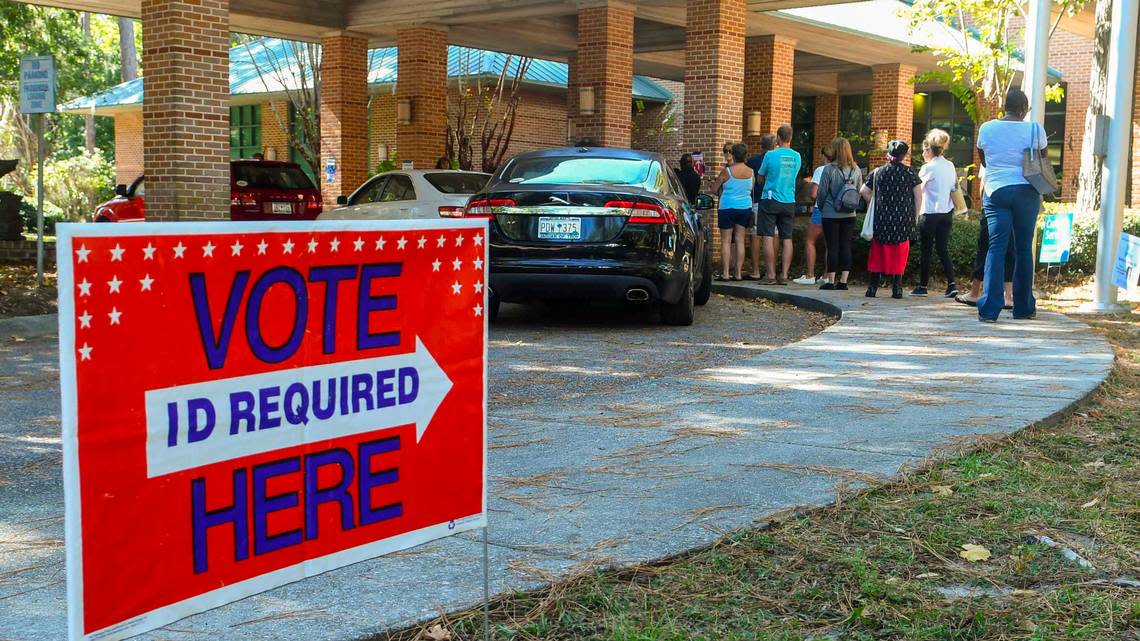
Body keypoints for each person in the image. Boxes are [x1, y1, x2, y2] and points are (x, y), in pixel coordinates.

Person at [975, 88, 1045, 322]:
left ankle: (989, 309)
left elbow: (984, 159)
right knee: (1024, 248)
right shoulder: (1035, 129)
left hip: (995, 191)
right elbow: (1042, 160)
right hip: (1026, 191)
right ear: (1024, 109)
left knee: (996, 247)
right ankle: (1023, 307)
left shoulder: (987, 128)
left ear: (1005, 106)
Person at [859, 140, 922, 299]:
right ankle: (897, 289)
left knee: (878, 252)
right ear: (904, 155)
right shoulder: (910, 173)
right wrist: (915, 216)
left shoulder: (877, 172)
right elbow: (918, 197)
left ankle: (872, 288)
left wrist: (872, 203)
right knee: (899, 252)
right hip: (903, 219)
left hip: (881, 218)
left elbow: (863, 191)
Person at [912, 129, 958, 298]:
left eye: (924, 150)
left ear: (929, 149)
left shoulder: (927, 168)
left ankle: (923, 286)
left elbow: (917, 190)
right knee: (942, 249)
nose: (923, 153)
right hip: (947, 212)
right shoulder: (950, 165)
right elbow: (954, 187)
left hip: (929, 212)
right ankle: (952, 284)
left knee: (926, 250)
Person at [756, 125, 801, 285]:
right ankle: (784, 275)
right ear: (791, 138)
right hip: (789, 200)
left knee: (768, 236)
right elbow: (794, 175)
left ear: (778, 138)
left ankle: (770, 275)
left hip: (770, 199)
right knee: (787, 238)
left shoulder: (770, 155)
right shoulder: (797, 156)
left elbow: (760, 177)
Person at [815, 138, 862, 291]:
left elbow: (822, 192)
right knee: (845, 246)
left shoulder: (829, 169)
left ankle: (830, 280)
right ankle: (844, 281)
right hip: (850, 213)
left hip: (830, 213)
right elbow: (859, 190)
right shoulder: (856, 169)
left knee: (832, 246)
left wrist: (822, 208)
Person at [711, 143, 754, 281]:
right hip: (744, 207)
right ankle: (738, 273)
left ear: (733, 155)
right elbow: (751, 188)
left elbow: (714, 189)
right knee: (740, 240)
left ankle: (725, 273)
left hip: (727, 207)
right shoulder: (751, 172)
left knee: (726, 241)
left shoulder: (727, 171)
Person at [794, 145, 836, 286]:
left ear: (824, 155)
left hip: (820, 209)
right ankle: (826, 275)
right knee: (830, 243)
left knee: (810, 241)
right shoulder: (840, 169)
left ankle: (810, 275)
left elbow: (813, 193)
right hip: (835, 211)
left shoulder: (821, 170)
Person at [745, 134, 777, 279]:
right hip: (777, 200)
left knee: (756, 236)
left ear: (761, 145)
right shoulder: (778, 159)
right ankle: (773, 270)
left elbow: (751, 182)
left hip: (758, 200)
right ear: (775, 145)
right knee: (775, 235)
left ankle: (756, 270)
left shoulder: (753, 161)